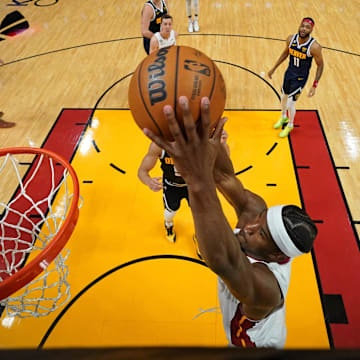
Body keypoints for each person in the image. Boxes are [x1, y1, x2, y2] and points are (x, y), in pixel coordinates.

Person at [143, 96, 318, 348]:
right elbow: (224, 176)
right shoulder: (257, 214)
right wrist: (203, 139)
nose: (249, 226)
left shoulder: (267, 288)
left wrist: (194, 175)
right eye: (260, 220)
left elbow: (221, 259)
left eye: (261, 234)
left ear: (276, 255)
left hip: (254, 345)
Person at [138, 129, 230, 244]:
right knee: (170, 212)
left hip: (194, 186)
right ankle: (168, 225)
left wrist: (223, 145)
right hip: (172, 186)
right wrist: (148, 181)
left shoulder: (201, 143)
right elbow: (142, 171)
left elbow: (225, 163)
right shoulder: (159, 145)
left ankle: (199, 237)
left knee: (200, 215)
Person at [268, 17, 324, 138]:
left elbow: (320, 65)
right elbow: (285, 53)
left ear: (311, 30)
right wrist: (273, 68)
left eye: (307, 27)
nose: (304, 29)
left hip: (300, 78)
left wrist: (314, 85)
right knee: (283, 97)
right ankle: (283, 117)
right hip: (289, 73)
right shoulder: (290, 39)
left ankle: (290, 124)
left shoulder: (314, 47)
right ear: (299, 26)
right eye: (302, 26)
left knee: (290, 103)